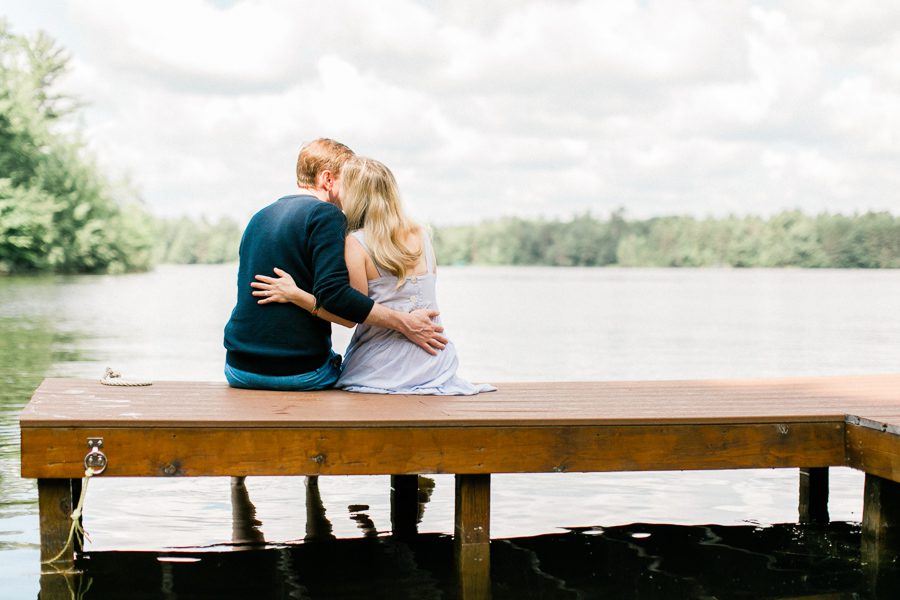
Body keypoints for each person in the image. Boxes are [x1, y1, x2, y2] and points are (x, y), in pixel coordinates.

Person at [251, 156, 495, 395]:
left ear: (356, 195)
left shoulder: (356, 244)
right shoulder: (422, 235)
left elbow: (350, 316)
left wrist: (295, 295)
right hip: (436, 363)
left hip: (381, 370)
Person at [223, 139, 447, 391]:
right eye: (347, 181)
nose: (350, 191)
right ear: (328, 180)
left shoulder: (259, 217)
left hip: (238, 369)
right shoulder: (326, 215)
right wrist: (404, 322)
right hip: (301, 373)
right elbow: (337, 297)